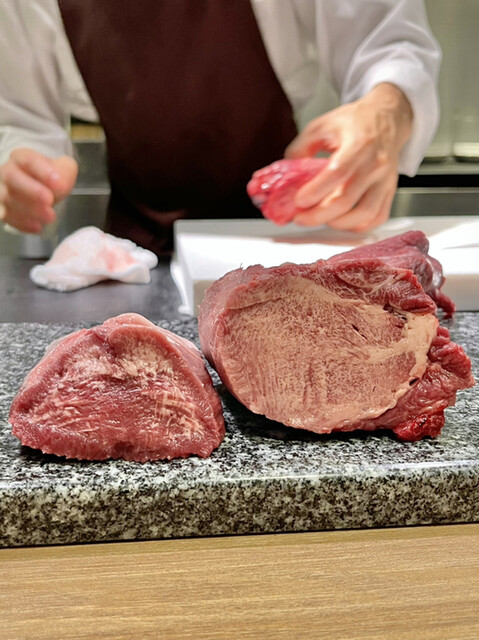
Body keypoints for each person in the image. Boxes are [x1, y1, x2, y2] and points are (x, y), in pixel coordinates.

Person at [0, 0, 441, 255]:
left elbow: (391, 44)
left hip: (293, 239)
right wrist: (23, 167)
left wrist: (386, 107)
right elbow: (21, 119)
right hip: (132, 256)